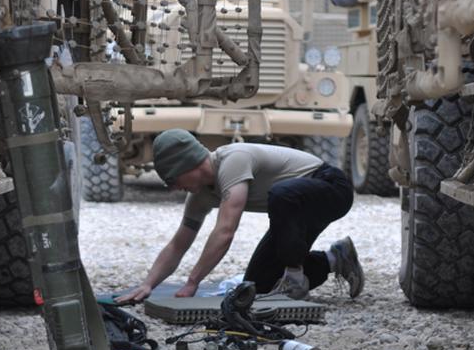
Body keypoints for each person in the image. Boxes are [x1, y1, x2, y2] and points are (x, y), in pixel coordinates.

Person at [116, 129, 363, 303]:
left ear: (186, 165)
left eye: (172, 179)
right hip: (295, 210)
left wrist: (193, 282)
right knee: (256, 285)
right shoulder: (200, 196)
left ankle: (295, 278)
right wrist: (148, 284)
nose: (173, 188)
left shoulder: (233, 160)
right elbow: (179, 243)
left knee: (281, 194)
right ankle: (336, 259)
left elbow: (225, 231)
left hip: (330, 188)